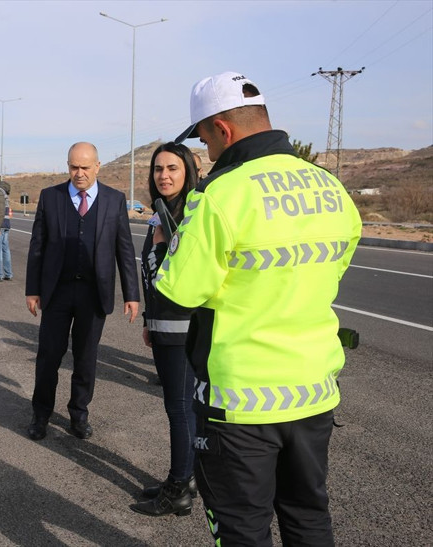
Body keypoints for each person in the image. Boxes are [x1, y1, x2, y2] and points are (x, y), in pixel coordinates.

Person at [151, 72, 361, 545]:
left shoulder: (221, 194)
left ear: (223, 130)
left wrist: (171, 246)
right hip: (314, 393)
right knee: (309, 517)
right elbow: (334, 272)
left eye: (204, 138)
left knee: (242, 529)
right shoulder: (329, 187)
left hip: (241, 402)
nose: (205, 151)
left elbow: (178, 292)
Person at [25, 142, 140, 441]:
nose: (79, 173)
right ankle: (40, 415)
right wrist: (32, 289)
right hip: (57, 293)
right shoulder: (51, 198)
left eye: (85, 168)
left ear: (98, 167)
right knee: (49, 356)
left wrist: (132, 294)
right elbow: (37, 246)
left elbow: (125, 250)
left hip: (93, 295)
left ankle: (79, 414)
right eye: (73, 167)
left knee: (86, 358)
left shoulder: (115, 201)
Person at [130, 142, 199, 518]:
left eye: (173, 168)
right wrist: (147, 321)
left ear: (188, 171)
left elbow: (171, 275)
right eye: (158, 169)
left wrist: (159, 244)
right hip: (162, 326)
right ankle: (183, 478)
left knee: (181, 409)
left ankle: (180, 487)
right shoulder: (162, 213)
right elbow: (149, 277)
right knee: (179, 408)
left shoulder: (190, 214)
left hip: (182, 329)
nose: (164, 175)